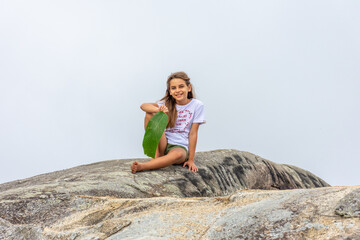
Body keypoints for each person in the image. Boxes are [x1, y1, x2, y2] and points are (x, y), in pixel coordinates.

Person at [131, 71, 206, 173]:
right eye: (173, 88)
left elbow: (193, 133)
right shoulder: (166, 103)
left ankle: (143, 166)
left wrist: (191, 160)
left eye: (181, 86)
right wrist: (158, 110)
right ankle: (156, 157)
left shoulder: (197, 105)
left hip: (179, 147)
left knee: (178, 155)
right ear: (170, 91)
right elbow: (143, 106)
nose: (177, 90)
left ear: (188, 88)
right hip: (163, 143)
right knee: (149, 113)